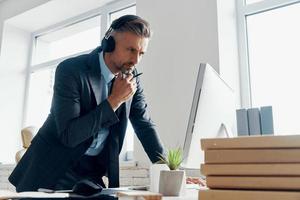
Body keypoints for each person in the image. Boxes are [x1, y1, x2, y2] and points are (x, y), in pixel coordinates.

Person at [9, 15, 165, 192]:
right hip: (53, 170)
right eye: (130, 50)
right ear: (109, 44)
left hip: (91, 172)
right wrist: (114, 101)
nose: (136, 60)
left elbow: (145, 126)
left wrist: (170, 171)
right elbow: (69, 135)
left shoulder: (130, 77)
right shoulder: (71, 71)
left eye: (141, 53)